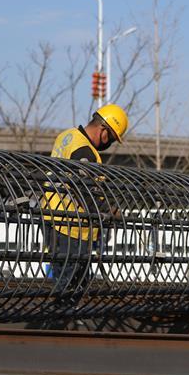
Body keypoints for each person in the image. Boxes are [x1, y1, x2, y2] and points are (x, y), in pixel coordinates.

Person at [41, 104, 128, 309]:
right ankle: (59, 321)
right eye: (112, 139)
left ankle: (65, 317)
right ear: (104, 131)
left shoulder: (67, 136)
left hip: (52, 215)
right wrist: (108, 211)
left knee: (67, 277)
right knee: (68, 281)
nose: (109, 144)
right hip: (71, 225)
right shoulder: (85, 151)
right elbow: (85, 190)